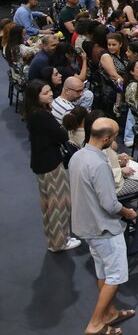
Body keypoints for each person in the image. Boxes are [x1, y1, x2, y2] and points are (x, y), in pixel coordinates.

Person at [68, 117, 137, 335]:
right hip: (104, 228)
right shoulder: (99, 163)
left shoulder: (78, 155)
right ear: (106, 138)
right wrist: (128, 212)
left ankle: (109, 312)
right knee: (115, 276)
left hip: (86, 225)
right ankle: (96, 322)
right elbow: (110, 204)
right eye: (114, 137)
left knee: (103, 271)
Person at [24, 79, 82, 253]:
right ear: (36, 97)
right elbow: (61, 135)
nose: (50, 94)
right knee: (58, 203)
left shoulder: (34, 113)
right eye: (45, 93)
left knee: (48, 204)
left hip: (41, 162)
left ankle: (55, 239)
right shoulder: (42, 115)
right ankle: (59, 242)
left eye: (50, 91)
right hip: (50, 163)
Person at [85, 110, 138, 218]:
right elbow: (103, 173)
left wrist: (118, 159)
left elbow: (108, 160)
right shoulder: (97, 152)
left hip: (115, 176)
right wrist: (121, 170)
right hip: (114, 186)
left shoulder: (93, 143)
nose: (114, 139)